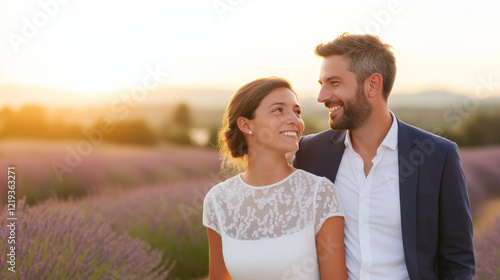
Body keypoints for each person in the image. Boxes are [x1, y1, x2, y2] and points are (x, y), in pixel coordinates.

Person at [293, 33, 475, 280]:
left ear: (372, 85)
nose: (322, 96)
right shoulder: (310, 153)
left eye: (334, 83)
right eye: (321, 84)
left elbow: (458, 259)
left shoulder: (438, 156)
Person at [203, 77, 347, 280]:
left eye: (297, 112)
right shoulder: (218, 200)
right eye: (278, 110)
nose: (294, 120)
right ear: (245, 124)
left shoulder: (319, 193)